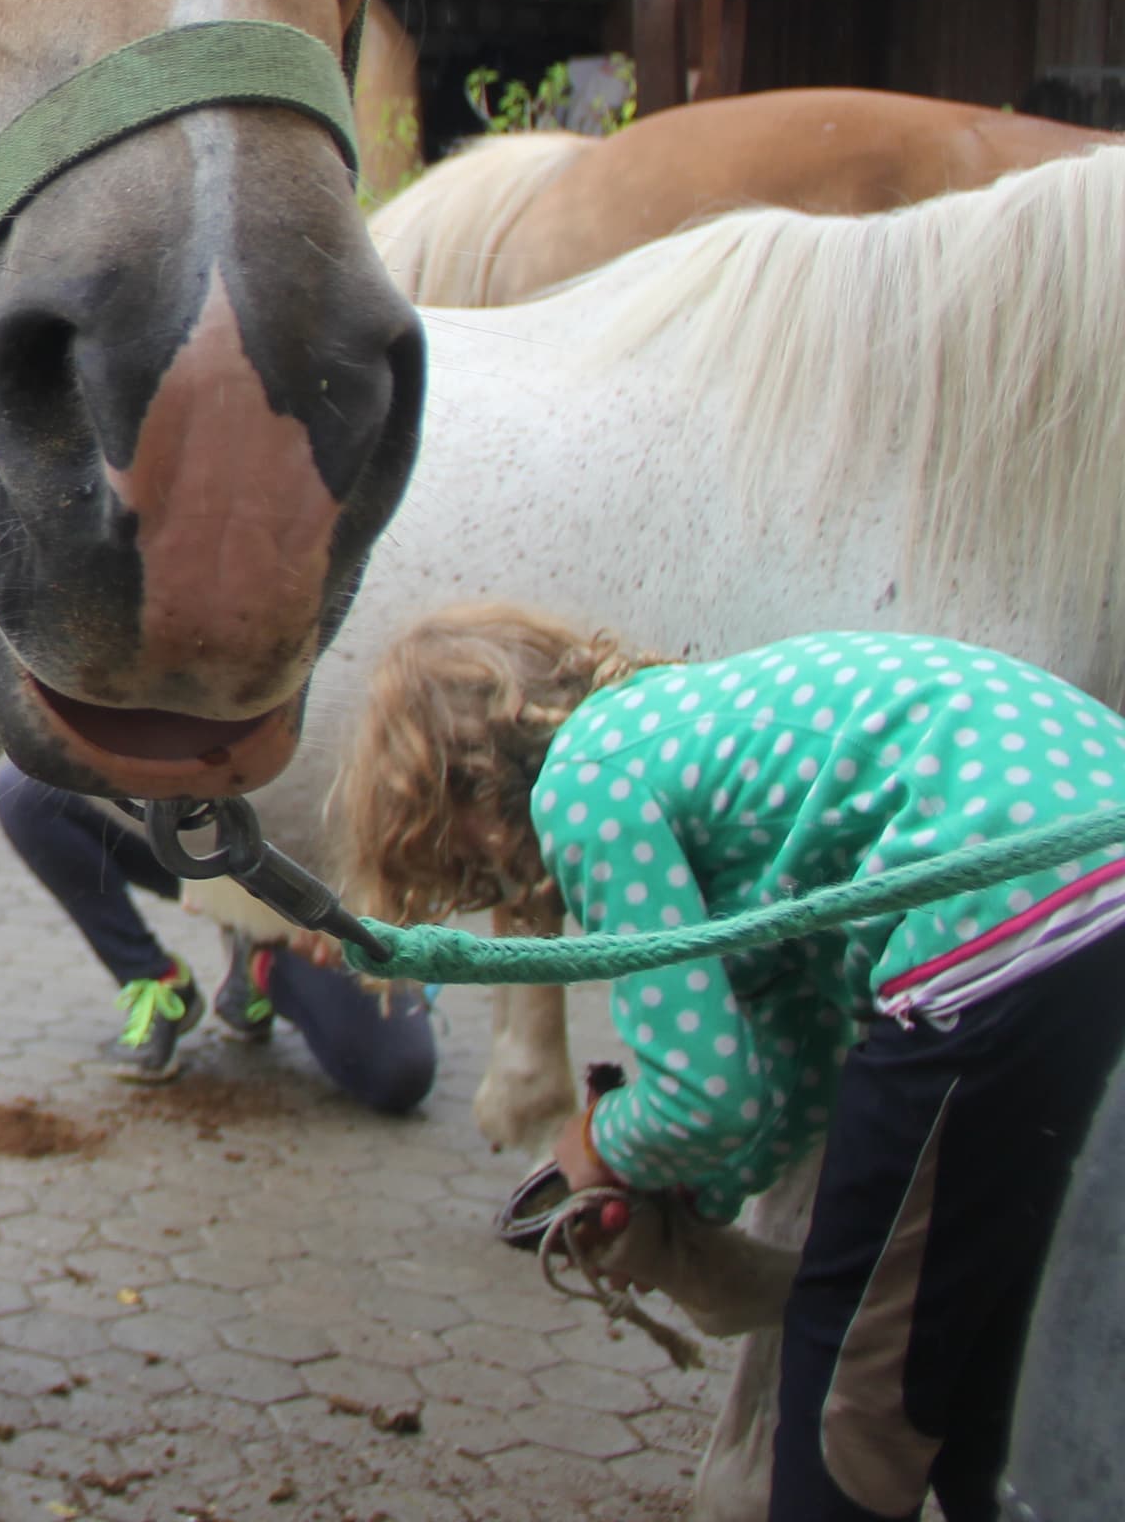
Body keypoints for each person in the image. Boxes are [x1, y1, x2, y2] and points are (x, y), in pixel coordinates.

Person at [339, 606, 1125, 1522]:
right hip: (1085, 873)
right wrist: (685, 1207)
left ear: (462, 782)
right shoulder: (699, 755)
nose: (478, 865)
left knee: (849, 1363)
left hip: (996, 919)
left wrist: (599, 1147)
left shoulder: (585, 781)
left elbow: (703, 1096)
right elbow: (782, 1079)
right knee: (977, 1336)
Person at [0, 765, 437, 1104]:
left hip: (325, 884)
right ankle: (156, 982)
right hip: (211, 841)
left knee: (398, 1074)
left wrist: (374, 916)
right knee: (30, 792)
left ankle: (260, 964)